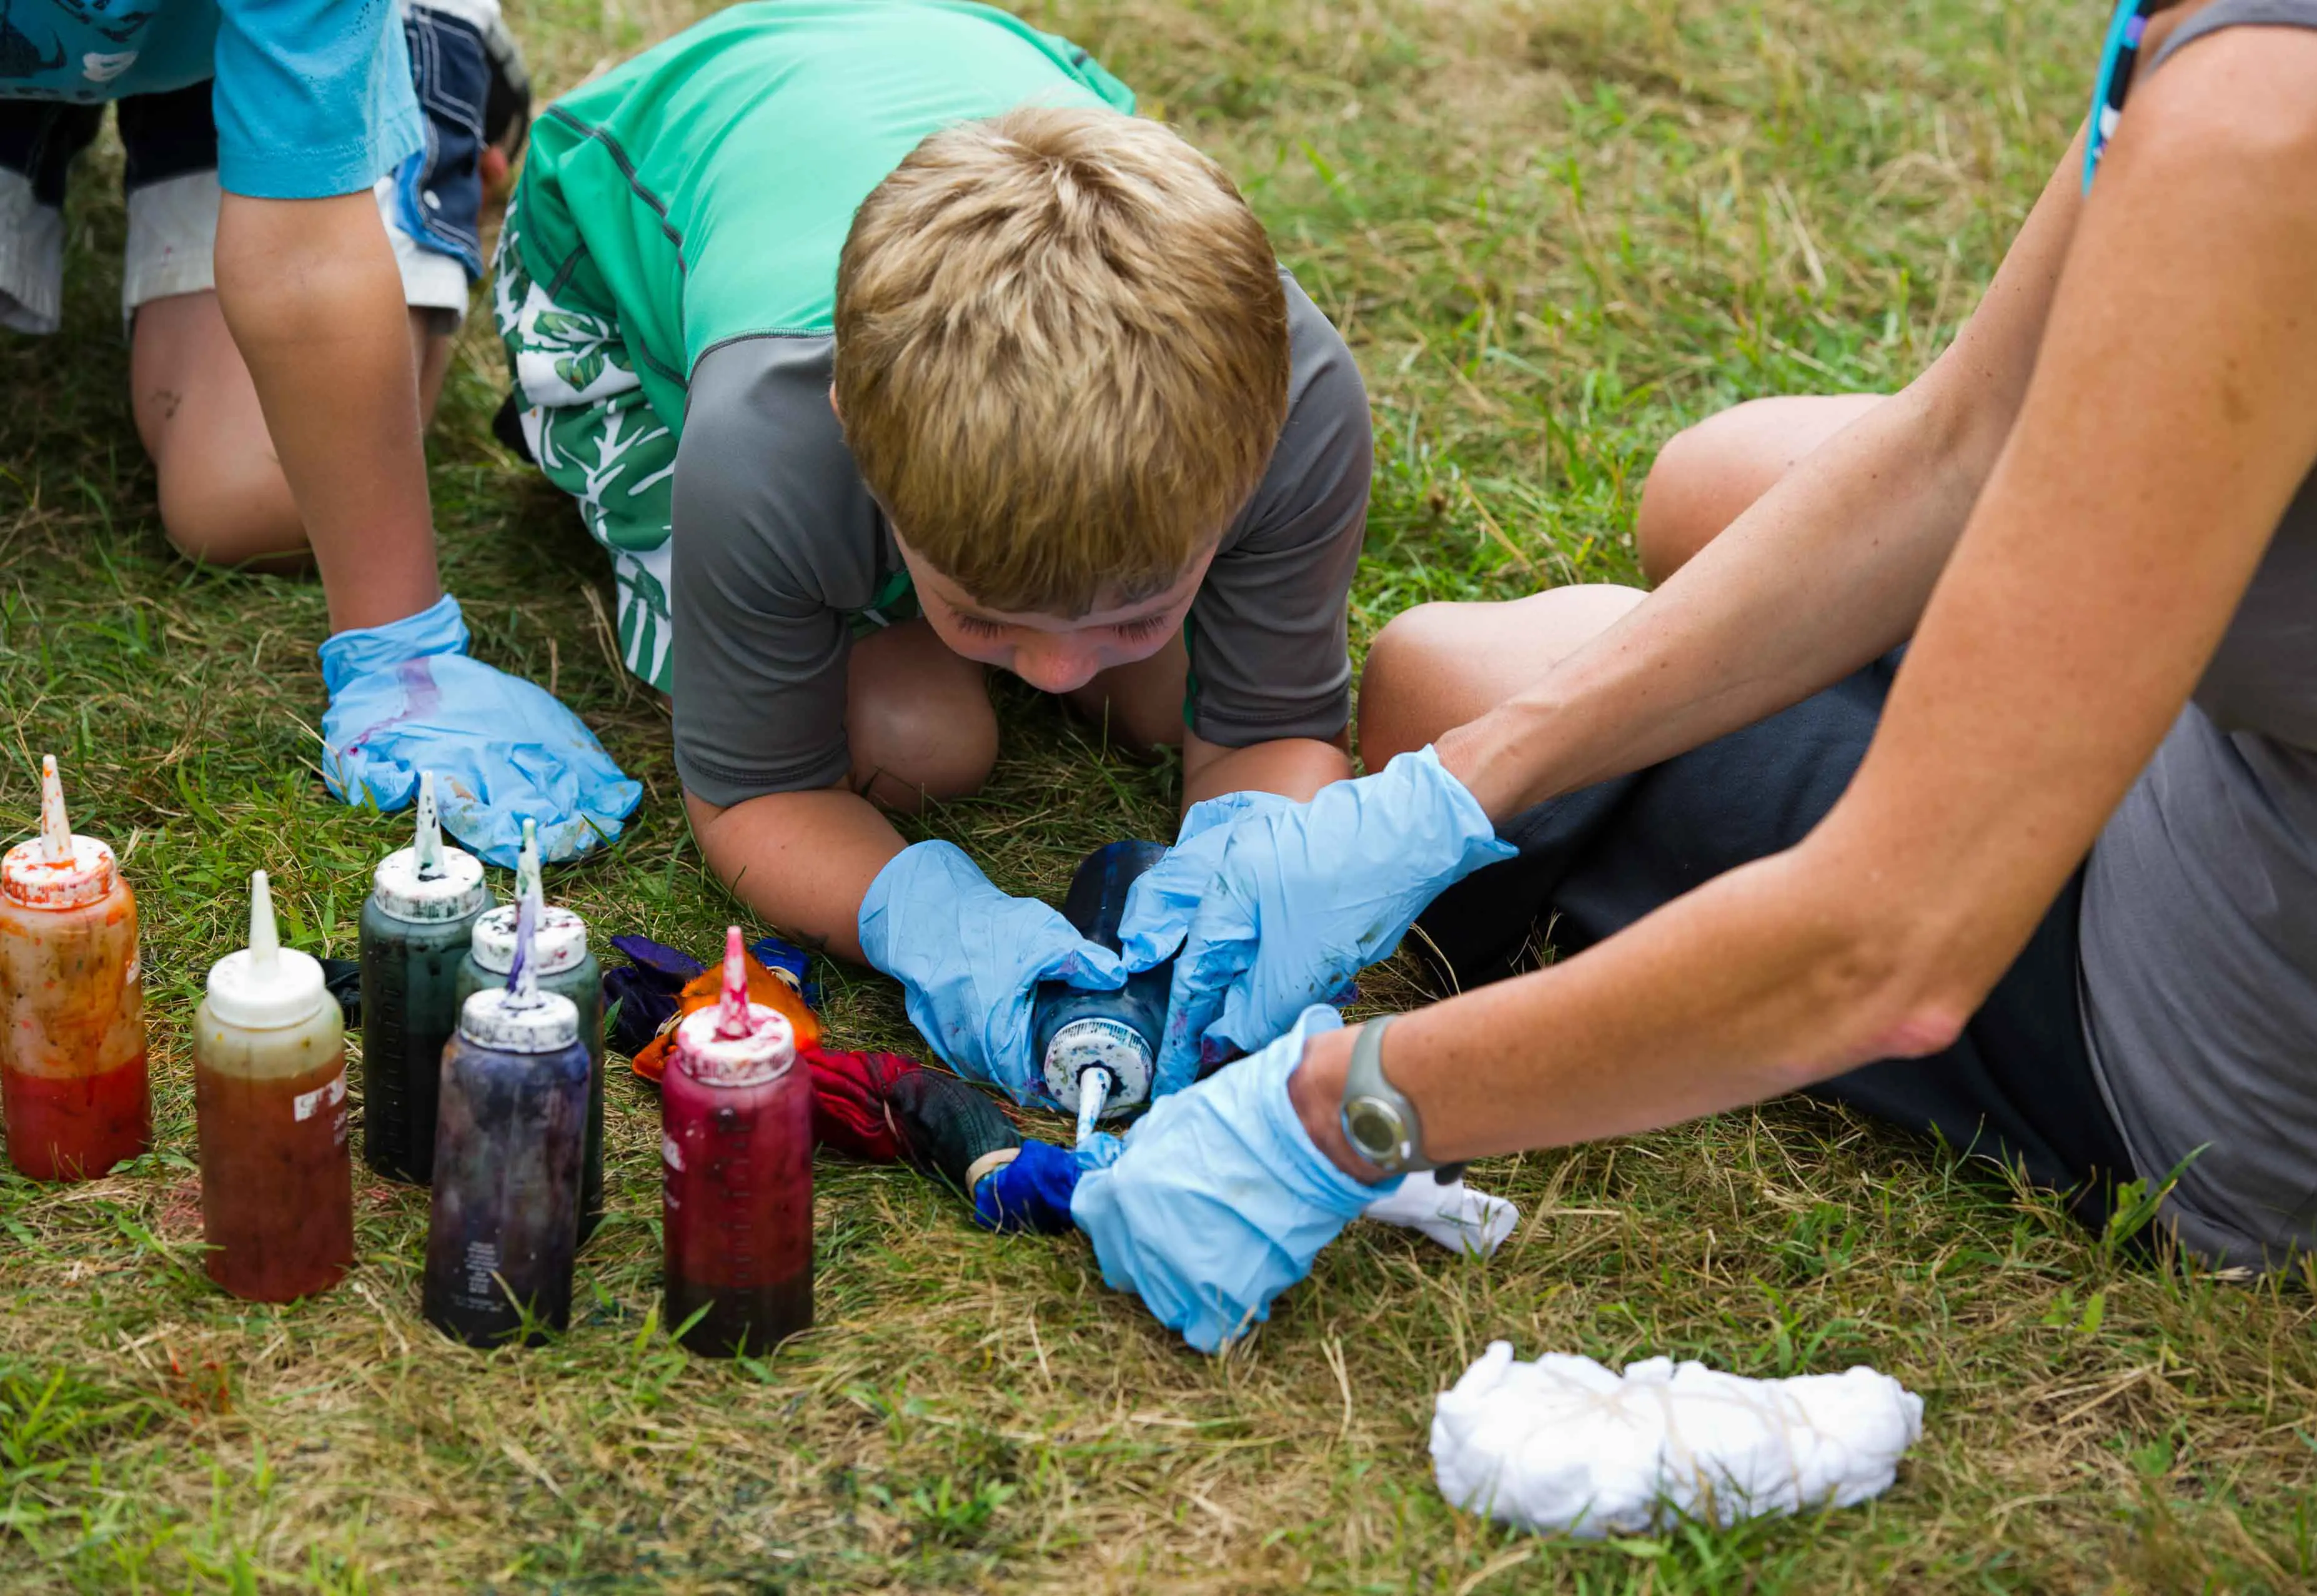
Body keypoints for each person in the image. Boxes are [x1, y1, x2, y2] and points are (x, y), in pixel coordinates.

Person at [1073, 0, 2317, 1353]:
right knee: (1707, 489)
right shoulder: (2255, 63)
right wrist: (1458, 790)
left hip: (2283, 1048)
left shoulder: (2280, 127)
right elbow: (1965, 443)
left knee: (1443, 674)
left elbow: (1887, 947)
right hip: (2299, 729)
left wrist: (1337, 1107)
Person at [492, 0, 1372, 1099]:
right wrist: (933, 921)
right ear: (859, 448)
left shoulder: (1305, 402)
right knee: (922, 736)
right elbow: (759, 794)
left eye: (1135, 609)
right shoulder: (766, 444)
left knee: (1162, 699)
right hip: (603, 251)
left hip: (948, 58)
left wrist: (1243, 883)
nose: (1054, 673)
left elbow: (1276, 728)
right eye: (985, 615)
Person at [0, 0, 635, 864]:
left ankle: (425, 48)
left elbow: (304, 257)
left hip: (274, 42)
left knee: (245, 494)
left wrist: (398, 648)